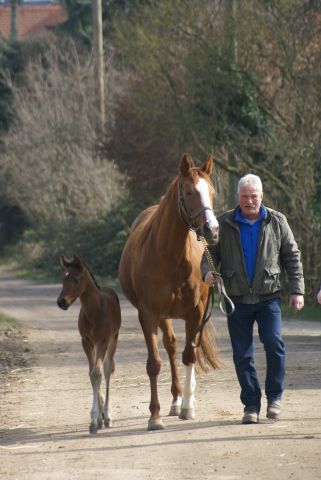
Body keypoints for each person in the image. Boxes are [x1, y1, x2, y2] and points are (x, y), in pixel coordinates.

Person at [201, 173, 305, 424]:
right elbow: (208, 253)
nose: (249, 201)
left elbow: (292, 256)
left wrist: (297, 290)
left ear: (262, 197)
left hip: (268, 297)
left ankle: (275, 398)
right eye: (245, 197)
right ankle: (251, 405)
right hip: (235, 299)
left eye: (254, 197)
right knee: (242, 354)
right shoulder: (223, 223)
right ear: (238, 197)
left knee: (274, 344)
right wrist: (206, 272)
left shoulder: (277, 221)